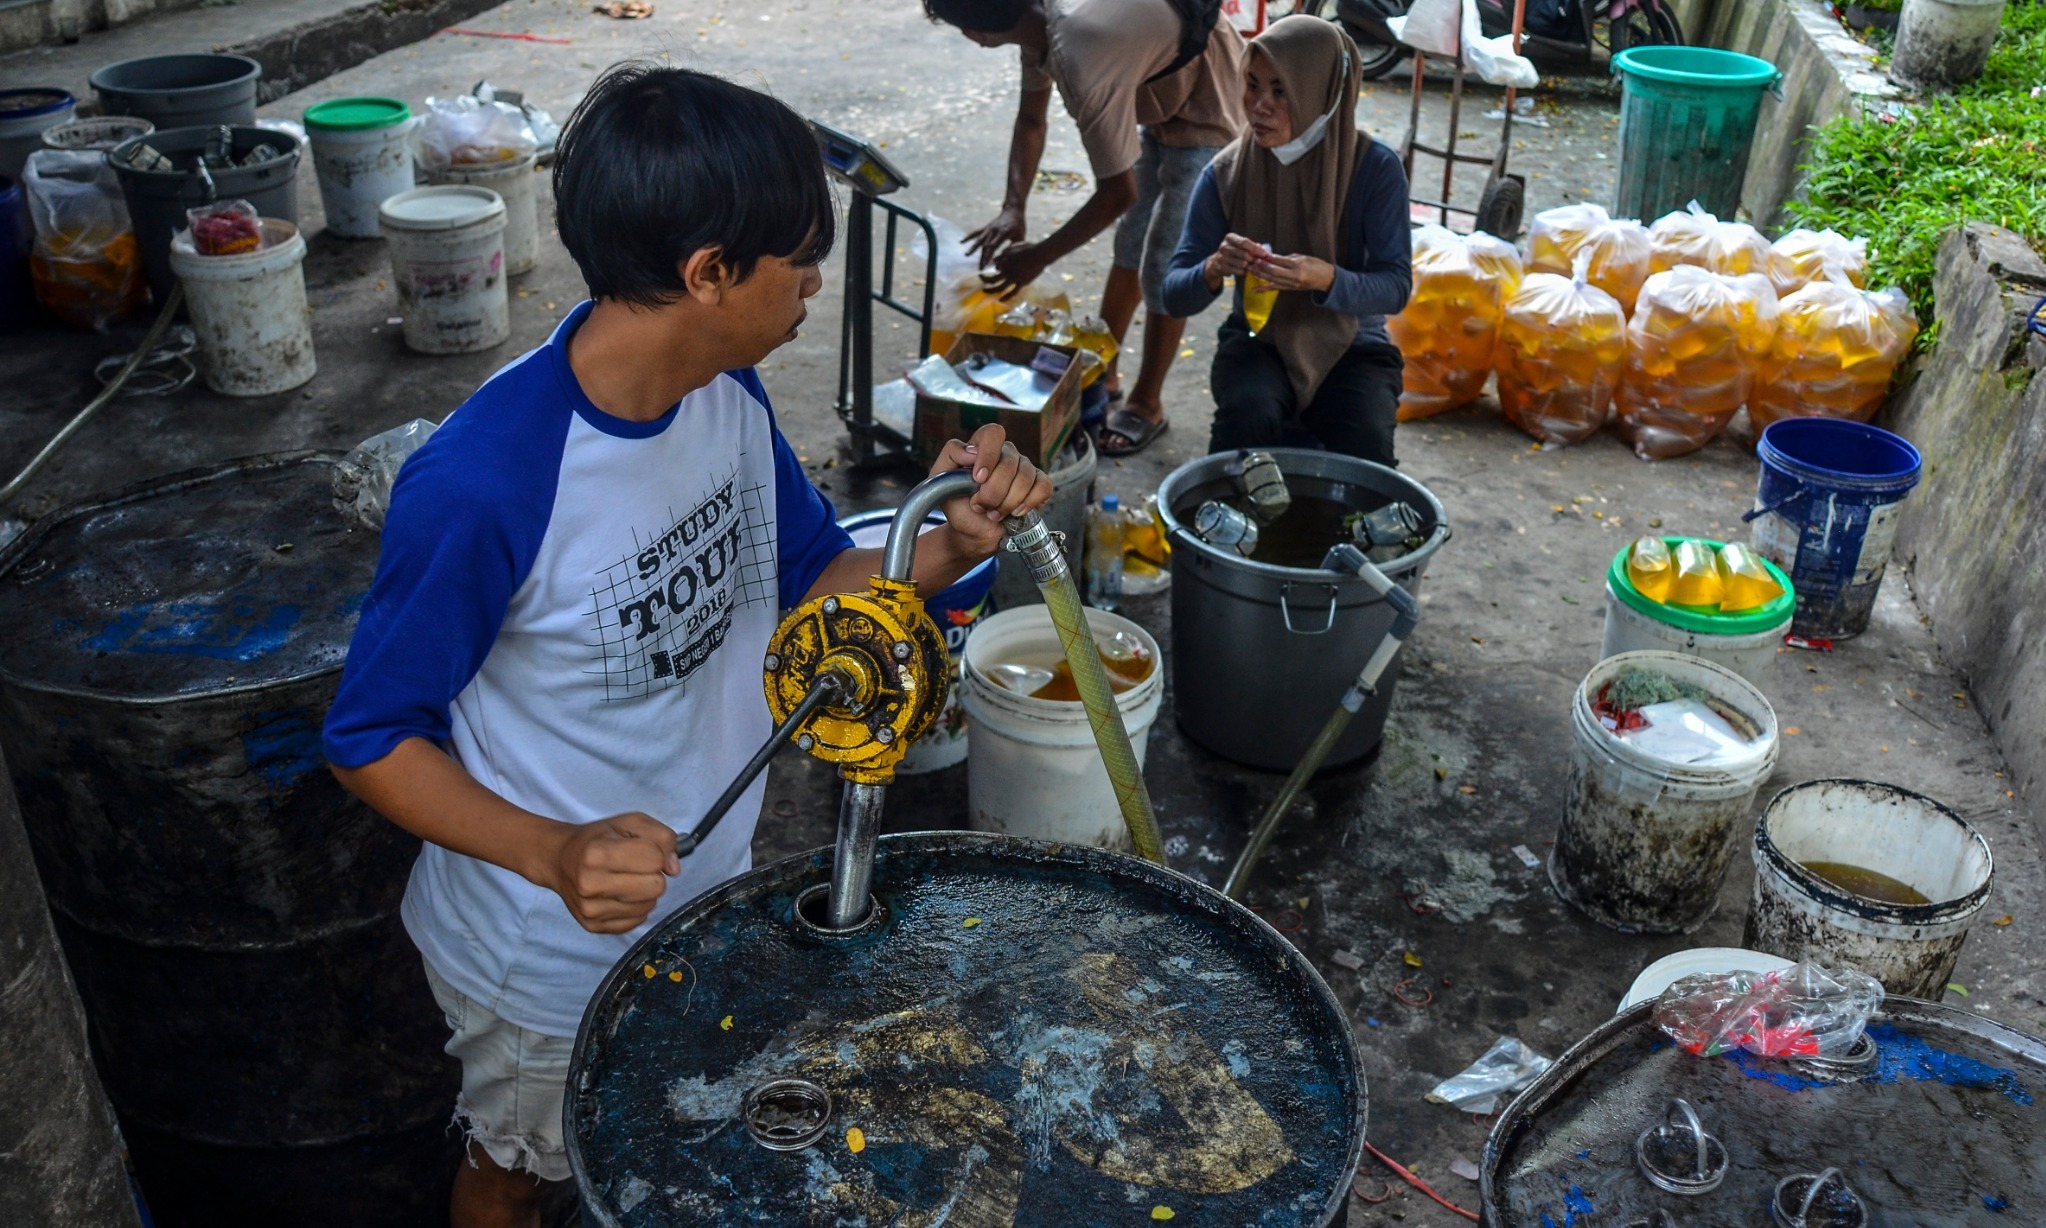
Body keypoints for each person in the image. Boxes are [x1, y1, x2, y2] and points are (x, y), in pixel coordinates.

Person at [320, 64, 1050, 1228]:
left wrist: (948, 542)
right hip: (547, 943)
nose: (815, 285)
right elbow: (368, 736)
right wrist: (554, 850)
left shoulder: (725, 391)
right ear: (710, 272)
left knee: (651, 1138)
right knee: (518, 1171)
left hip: (698, 892)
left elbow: (812, 576)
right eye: (799, 261)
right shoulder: (486, 481)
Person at [922, 0, 1246, 457]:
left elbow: (1118, 193)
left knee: (1166, 262)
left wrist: (1037, 257)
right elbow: (1031, 119)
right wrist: (1013, 208)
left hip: (1209, 93)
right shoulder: (1037, 24)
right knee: (1130, 242)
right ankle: (1102, 372)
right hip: (1156, 82)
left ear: (977, 34)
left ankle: (1146, 404)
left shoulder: (1080, 56)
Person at [1160, 15, 1412, 465]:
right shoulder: (1226, 173)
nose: (1260, 106)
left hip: (1354, 346)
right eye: (1252, 85)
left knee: (1366, 445)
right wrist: (1213, 268)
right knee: (1245, 420)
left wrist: (1326, 278)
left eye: (1281, 91)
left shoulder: (1374, 169)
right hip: (1260, 339)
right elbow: (1174, 294)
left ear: (1319, 91)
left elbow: (1395, 288)